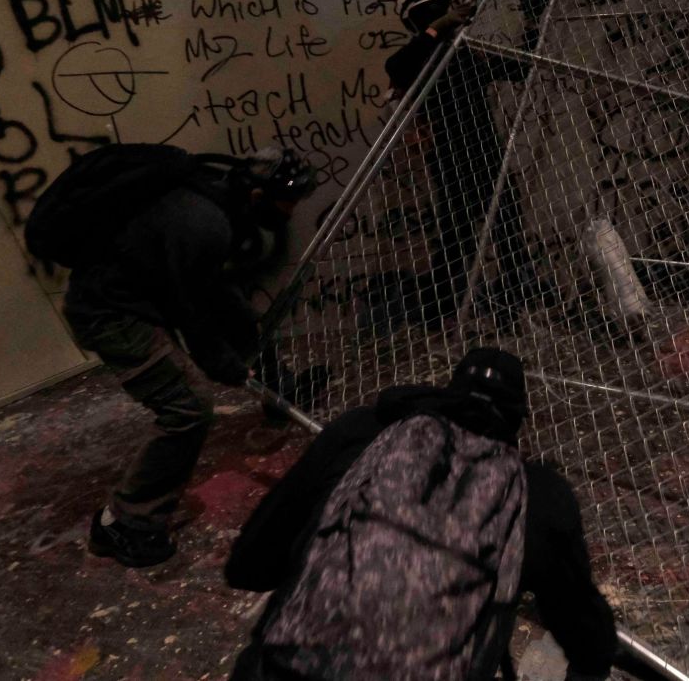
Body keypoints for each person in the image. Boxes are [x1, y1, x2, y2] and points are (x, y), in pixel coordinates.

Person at [225, 347, 616, 681]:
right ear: (515, 422)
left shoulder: (360, 432)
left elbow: (247, 567)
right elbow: (589, 640)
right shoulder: (538, 494)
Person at [62, 146, 318, 567]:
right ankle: (123, 523)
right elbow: (190, 310)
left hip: (138, 297)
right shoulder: (204, 221)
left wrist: (239, 338)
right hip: (111, 314)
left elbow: (205, 290)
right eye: (288, 200)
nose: (291, 211)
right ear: (258, 195)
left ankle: (277, 391)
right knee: (189, 408)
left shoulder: (215, 198)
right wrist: (222, 364)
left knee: (240, 318)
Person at [384, 0, 534, 325]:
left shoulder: (464, 54)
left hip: (486, 152)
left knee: (506, 229)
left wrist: (532, 20)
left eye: (443, 12)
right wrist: (441, 26)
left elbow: (521, 67)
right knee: (458, 236)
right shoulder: (420, 59)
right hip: (452, 159)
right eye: (431, 16)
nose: (442, 20)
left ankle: (515, 304)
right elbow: (398, 66)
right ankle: (443, 309)